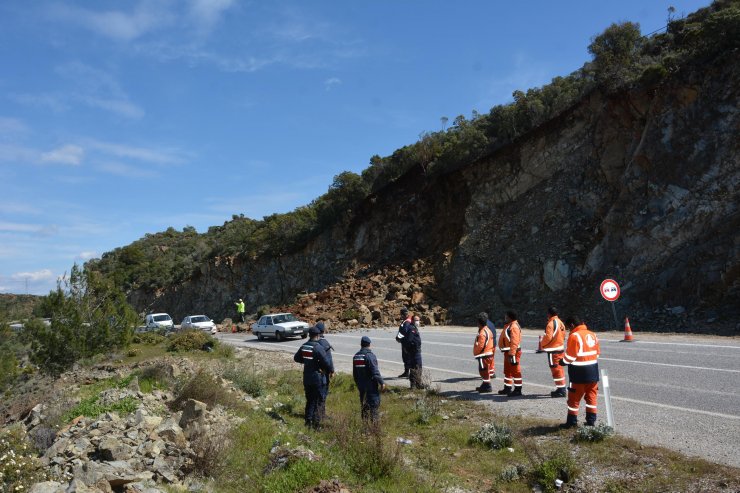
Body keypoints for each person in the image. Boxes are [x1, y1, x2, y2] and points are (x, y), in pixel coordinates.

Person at [560, 316, 601, 428]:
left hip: (578, 374)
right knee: (591, 397)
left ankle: (571, 422)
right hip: (593, 372)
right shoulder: (593, 334)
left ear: (572, 325)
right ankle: (591, 422)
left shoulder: (574, 336)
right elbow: (597, 353)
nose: (569, 330)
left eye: (568, 327)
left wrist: (562, 361)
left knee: (574, 399)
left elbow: (570, 357)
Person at [293, 326, 334, 429]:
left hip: (307, 378)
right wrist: (330, 370)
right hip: (317, 378)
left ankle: (308, 421)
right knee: (318, 401)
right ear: (317, 335)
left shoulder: (304, 346)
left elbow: (296, 358)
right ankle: (316, 424)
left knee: (310, 400)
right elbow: (327, 363)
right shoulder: (317, 347)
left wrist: (308, 362)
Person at [352, 336, 386, 423]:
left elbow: (355, 374)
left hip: (361, 385)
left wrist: (358, 384)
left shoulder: (356, 356)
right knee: (374, 406)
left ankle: (365, 425)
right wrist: (381, 382)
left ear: (361, 344)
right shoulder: (369, 356)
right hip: (370, 385)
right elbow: (375, 371)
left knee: (364, 406)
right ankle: (374, 428)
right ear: (369, 345)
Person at [541, 306, 567, 397]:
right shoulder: (560, 322)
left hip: (553, 350)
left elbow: (548, 337)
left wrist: (542, 345)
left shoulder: (550, 324)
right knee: (559, 369)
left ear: (549, 314)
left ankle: (561, 390)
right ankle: (561, 388)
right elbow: (564, 335)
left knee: (556, 370)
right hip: (560, 348)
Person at [498, 310, 523, 396]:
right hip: (508, 352)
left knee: (515, 371)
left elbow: (514, 342)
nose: (505, 318)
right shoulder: (509, 326)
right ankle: (507, 388)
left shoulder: (514, 327)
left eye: (506, 317)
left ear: (510, 318)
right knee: (507, 371)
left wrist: (512, 353)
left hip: (513, 353)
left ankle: (518, 389)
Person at [315, 320, 334, 421]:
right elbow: (328, 359)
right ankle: (321, 415)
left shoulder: (312, 342)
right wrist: (332, 371)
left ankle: (316, 413)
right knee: (322, 394)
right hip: (323, 373)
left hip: (313, 372)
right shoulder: (324, 343)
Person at [473, 312, 495, 393]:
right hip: (488, 354)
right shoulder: (487, 330)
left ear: (479, 323)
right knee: (485, 370)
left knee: (483, 371)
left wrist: (476, 353)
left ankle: (487, 386)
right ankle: (485, 384)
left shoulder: (482, 333)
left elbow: (480, 346)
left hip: (483, 355)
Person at [395, 307, 414, 378]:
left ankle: (408, 373)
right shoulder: (408, 320)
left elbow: (404, 332)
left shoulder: (406, 322)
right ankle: (407, 372)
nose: (401, 316)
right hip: (407, 341)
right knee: (407, 357)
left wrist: (398, 338)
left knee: (407, 357)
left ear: (403, 314)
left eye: (401, 314)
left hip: (406, 342)